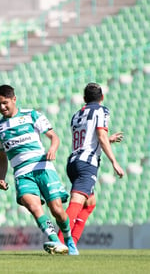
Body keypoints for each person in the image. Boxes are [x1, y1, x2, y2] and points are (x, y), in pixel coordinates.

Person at [0, 84, 78, 255]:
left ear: (14, 99)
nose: (2, 107)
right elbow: (1, 158)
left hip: (42, 167)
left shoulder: (32, 115)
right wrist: (2, 178)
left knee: (57, 210)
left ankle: (68, 239)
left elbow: (54, 137)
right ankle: (55, 241)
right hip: (22, 173)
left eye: (5, 103)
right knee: (33, 206)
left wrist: (53, 148)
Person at [57, 83, 124, 245]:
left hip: (73, 162)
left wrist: (109, 140)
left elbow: (88, 140)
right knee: (77, 203)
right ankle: (59, 241)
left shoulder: (76, 114)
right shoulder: (102, 111)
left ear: (84, 99)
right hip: (87, 164)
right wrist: (114, 162)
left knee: (89, 204)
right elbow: (100, 136)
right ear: (102, 97)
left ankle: (72, 241)